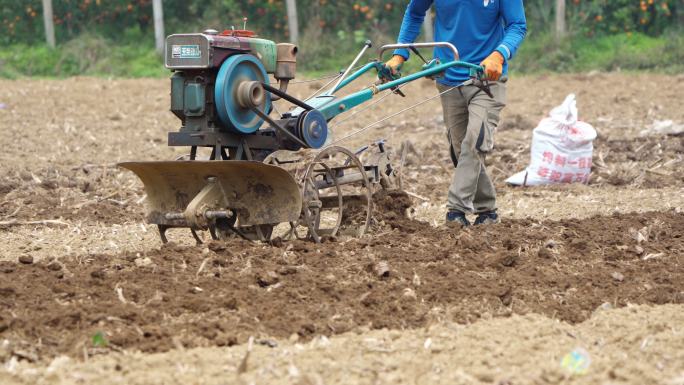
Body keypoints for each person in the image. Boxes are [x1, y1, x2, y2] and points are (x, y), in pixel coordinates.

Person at [384, 0, 527, 226]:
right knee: (459, 149)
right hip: (448, 78)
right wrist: (399, 55)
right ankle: (488, 211)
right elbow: (415, 12)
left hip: (486, 78)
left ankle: (455, 211)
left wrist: (499, 54)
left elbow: (517, 25)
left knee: (475, 141)